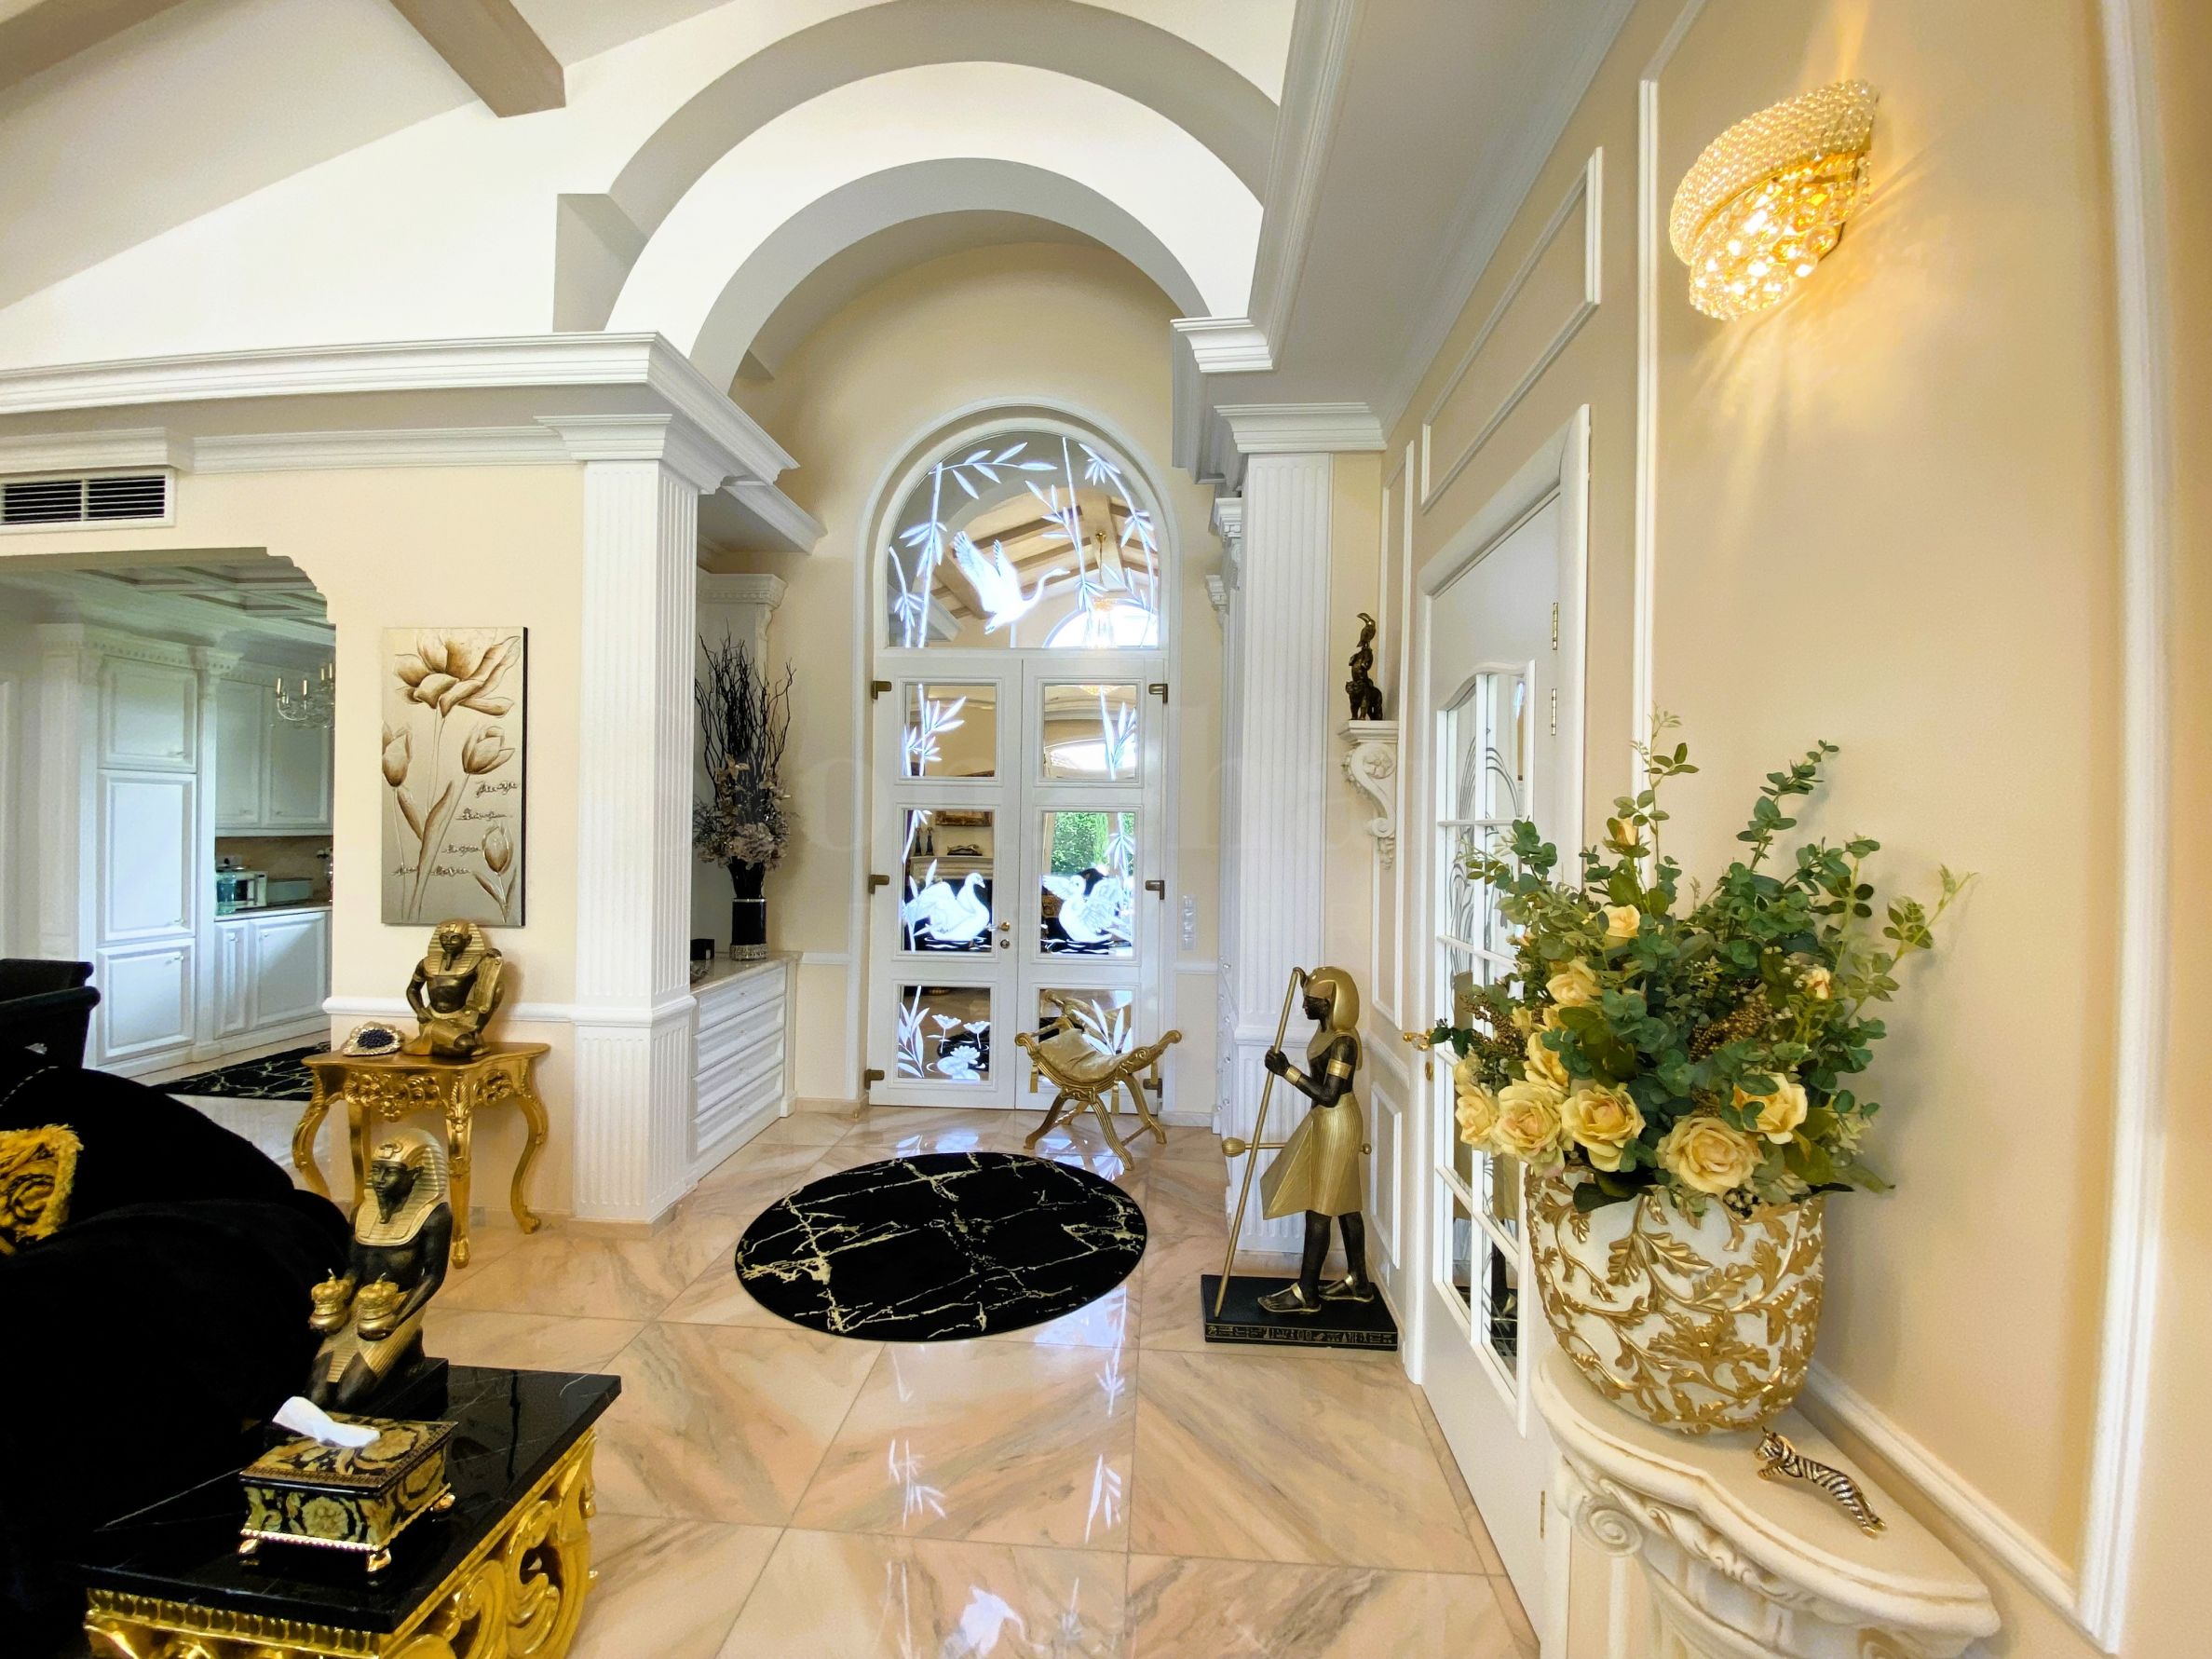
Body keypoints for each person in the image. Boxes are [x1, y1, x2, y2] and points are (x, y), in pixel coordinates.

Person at [1256, 967, 1377, 1314]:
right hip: (1327, 1121)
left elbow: (1329, 1095)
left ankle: (1307, 1292)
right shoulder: (1326, 1032)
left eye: (1310, 1001)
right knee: (1347, 1204)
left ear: (1330, 1003)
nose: (1304, 1007)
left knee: (1319, 1210)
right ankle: (1358, 1280)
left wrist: (1286, 1071)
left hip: (1336, 1121)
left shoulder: (1344, 1043)